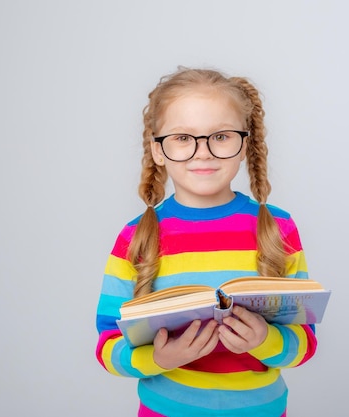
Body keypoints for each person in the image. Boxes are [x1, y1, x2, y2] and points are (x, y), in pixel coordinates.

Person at [95, 67, 317, 417]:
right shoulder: (134, 238)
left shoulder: (278, 227)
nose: (203, 152)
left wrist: (265, 341)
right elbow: (107, 348)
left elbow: (304, 344)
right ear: (157, 149)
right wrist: (159, 358)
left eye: (221, 136)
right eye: (183, 138)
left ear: (245, 144)